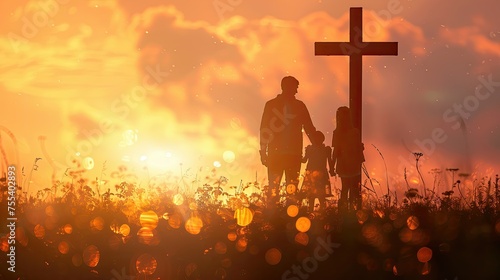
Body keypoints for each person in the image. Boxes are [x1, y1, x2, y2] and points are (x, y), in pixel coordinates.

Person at [259, 76, 316, 207]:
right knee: (280, 188)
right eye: (295, 87)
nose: (296, 91)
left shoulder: (274, 104)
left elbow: (264, 129)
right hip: (285, 154)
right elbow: (309, 128)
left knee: (282, 188)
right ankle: (281, 217)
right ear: (287, 87)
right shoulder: (296, 106)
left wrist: (263, 151)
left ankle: (279, 217)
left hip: (284, 154)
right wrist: (263, 151)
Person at [330, 106, 365, 213]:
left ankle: (347, 211)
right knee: (349, 188)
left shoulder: (351, 132)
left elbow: (336, 151)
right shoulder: (350, 132)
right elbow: (336, 151)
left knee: (349, 188)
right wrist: (332, 166)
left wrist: (332, 166)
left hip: (349, 164)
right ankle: (348, 211)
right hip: (347, 164)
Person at [301, 130, 334, 212]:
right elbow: (304, 160)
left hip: (319, 174)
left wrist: (332, 170)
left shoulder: (325, 149)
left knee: (320, 195)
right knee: (312, 195)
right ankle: (313, 212)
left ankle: (319, 212)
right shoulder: (310, 149)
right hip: (313, 174)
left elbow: (330, 161)